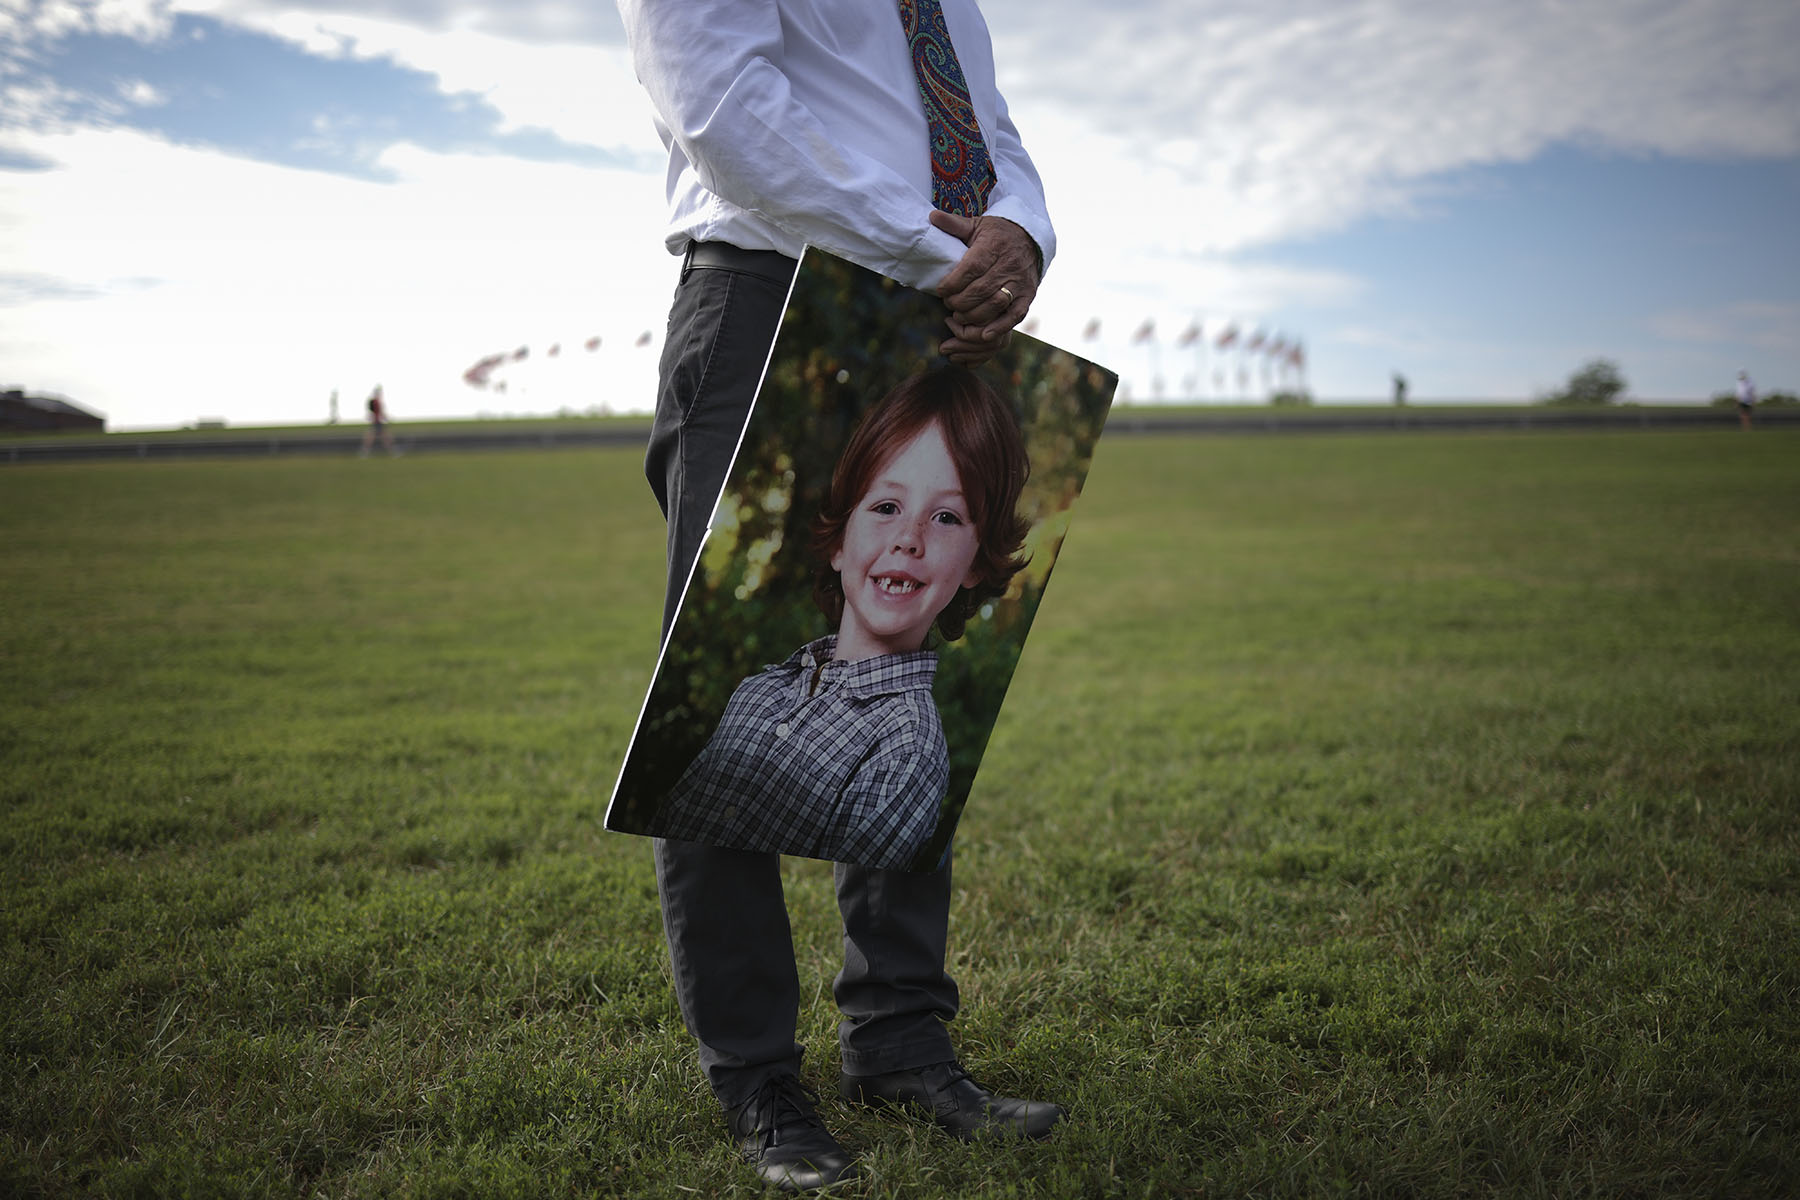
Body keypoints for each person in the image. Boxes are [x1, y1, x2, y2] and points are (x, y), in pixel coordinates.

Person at [616, 0, 1060, 1190]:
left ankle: (902, 1043)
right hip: (770, 292)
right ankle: (761, 1077)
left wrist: (1019, 232)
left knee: (917, 674)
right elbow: (721, 107)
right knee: (719, 700)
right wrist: (937, 252)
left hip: (933, 314)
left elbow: (987, 129)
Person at [651, 368, 1031, 871]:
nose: (909, 537)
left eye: (946, 517)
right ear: (838, 542)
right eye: (887, 506)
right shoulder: (759, 691)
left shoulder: (906, 745)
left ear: (976, 565)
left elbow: (849, 904)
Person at [361, 384, 395, 456]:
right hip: (377, 422)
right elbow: (379, 412)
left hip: (376, 422)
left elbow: (374, 412)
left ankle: (364, 452)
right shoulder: (376, 402)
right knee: (383, 437)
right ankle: (392, 452)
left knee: (379, 437)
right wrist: (387, 418)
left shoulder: (375, 401)